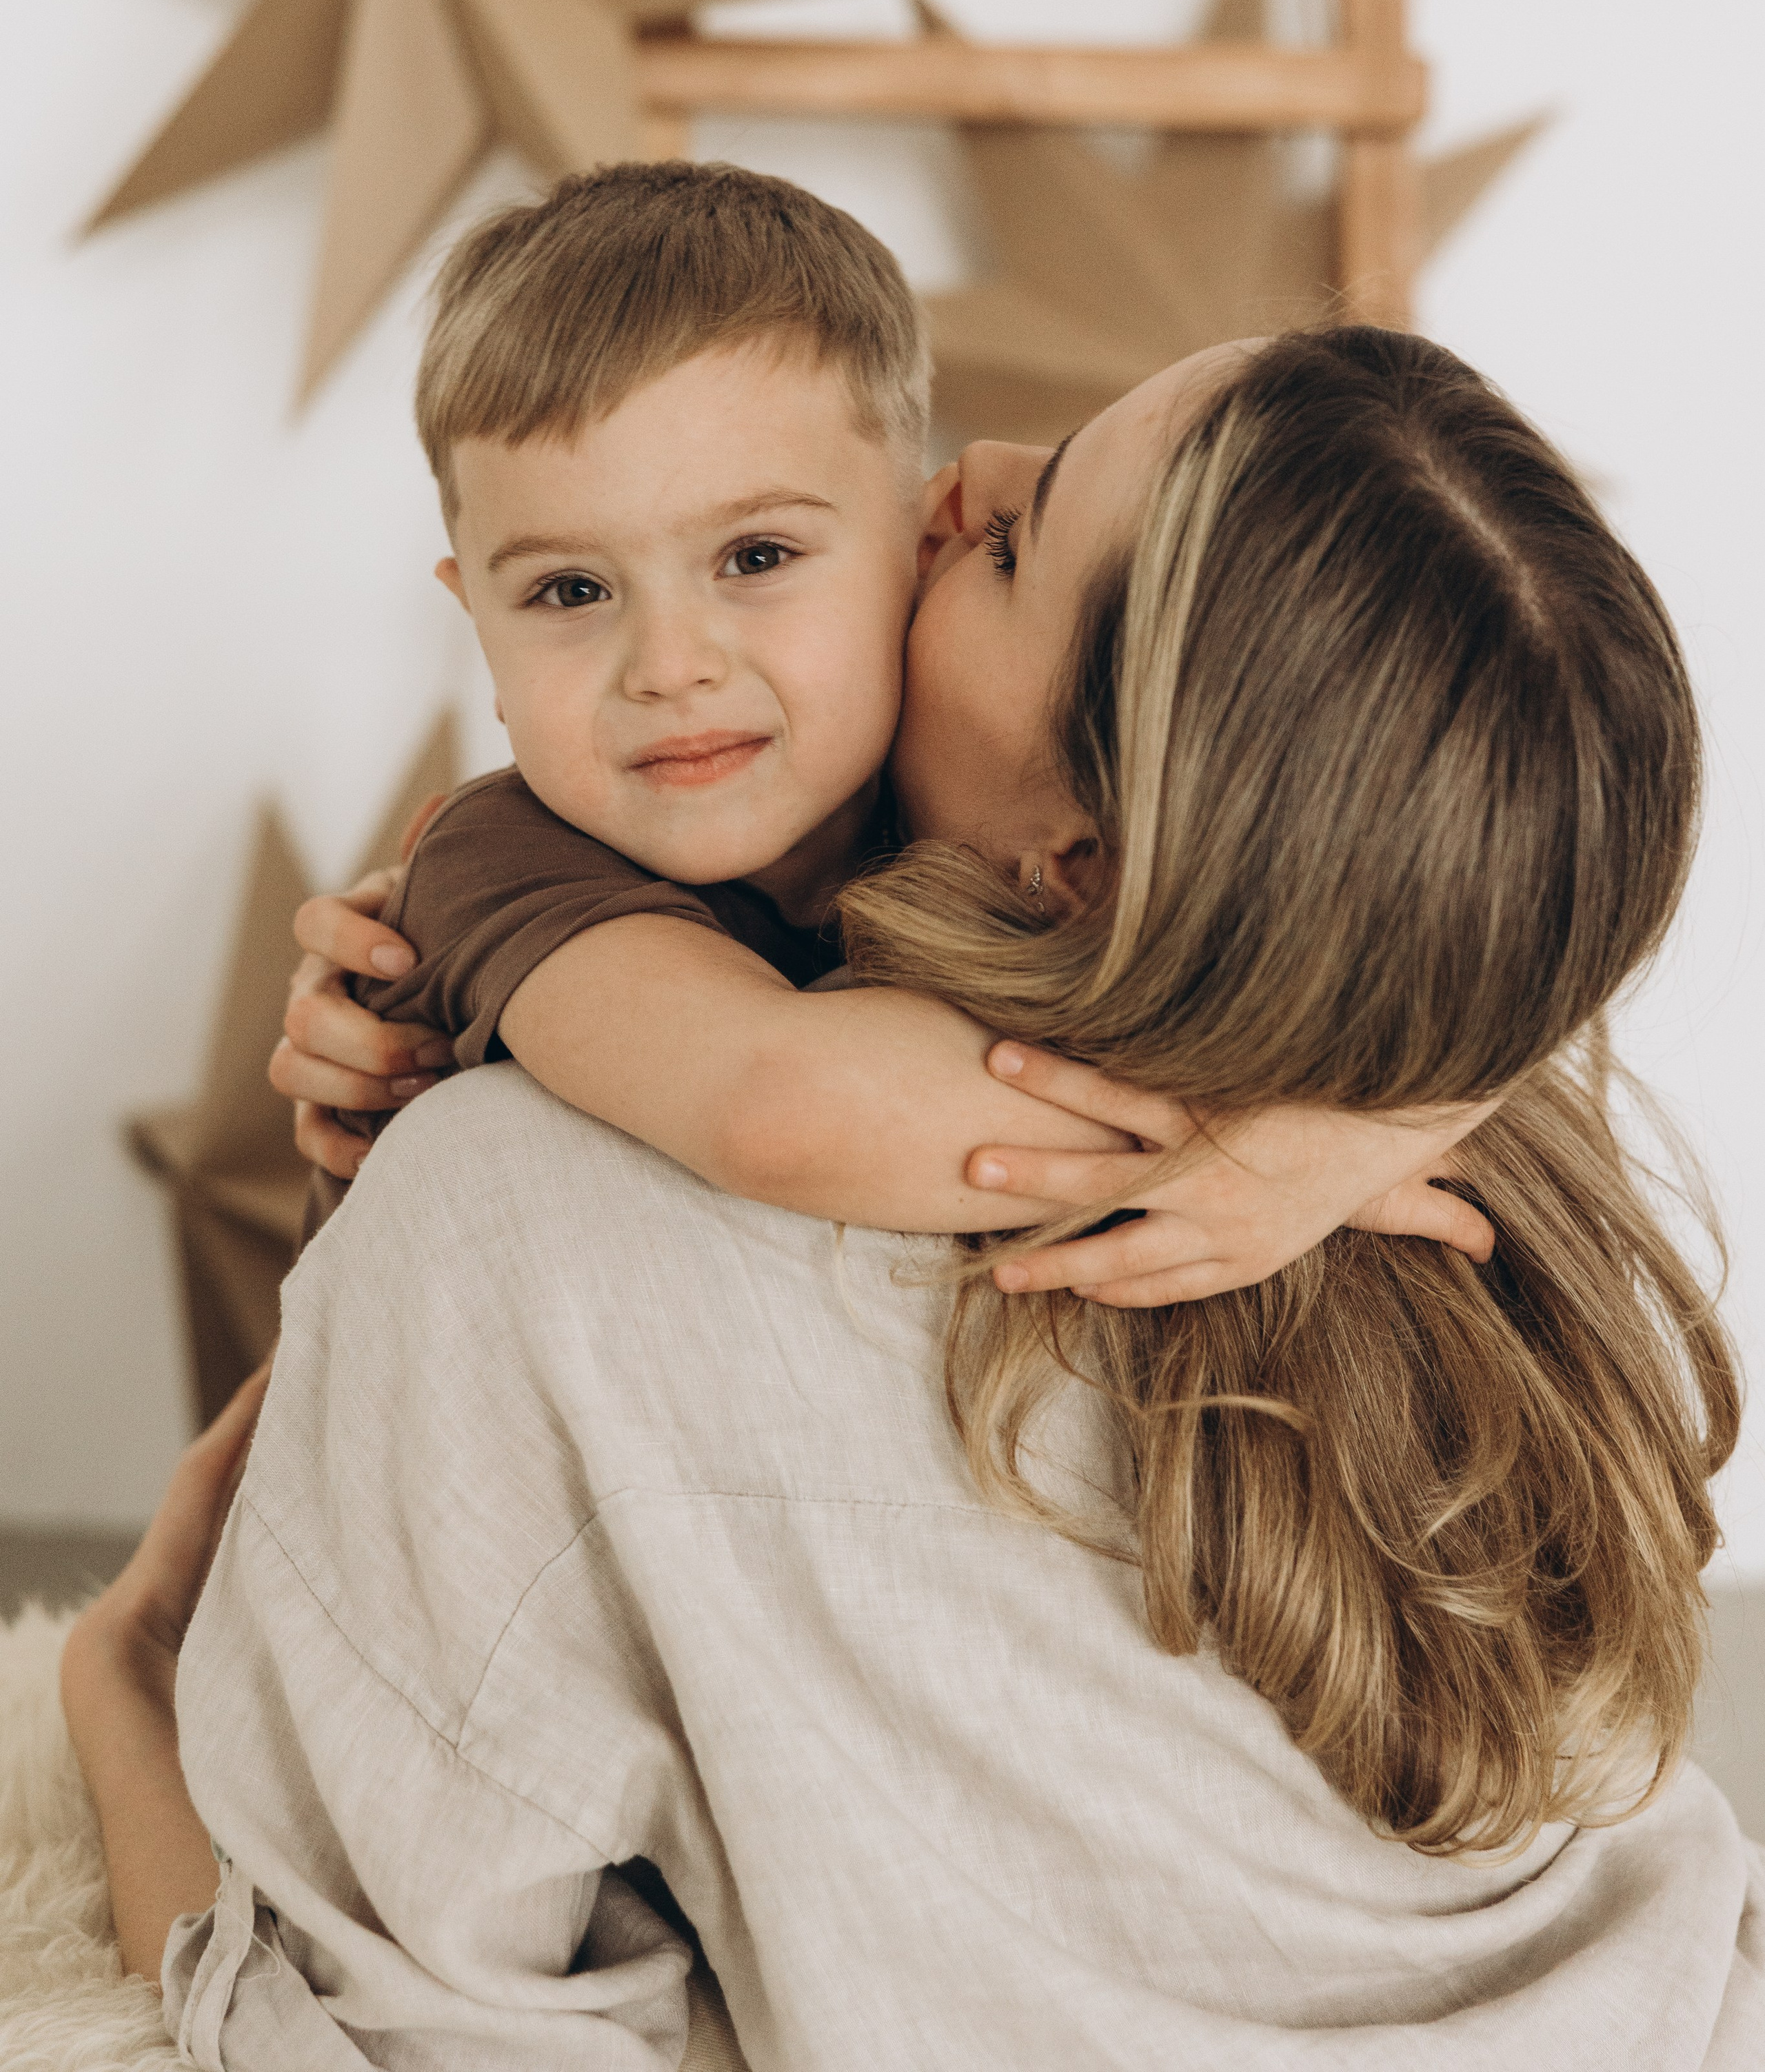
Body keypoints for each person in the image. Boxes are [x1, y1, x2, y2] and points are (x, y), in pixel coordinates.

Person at [63, 320, 1761, 2064]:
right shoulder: (1475, 1162)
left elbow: (370, 2027)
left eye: (1018, 548)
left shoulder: (518, 1212)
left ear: (1083, 856)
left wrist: (121, 1682)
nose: (969, 479)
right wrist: (1323, 1121)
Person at [293, 159, 1493, 1297]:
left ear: (918, 548)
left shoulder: (971, 820)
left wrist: (1395, 1115)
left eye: (755, 558)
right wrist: (1258, 1139)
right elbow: (778, 1110)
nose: (667, 669)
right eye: (568, 593)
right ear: (480, 630)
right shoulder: (494, 860)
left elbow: (1452, 929)